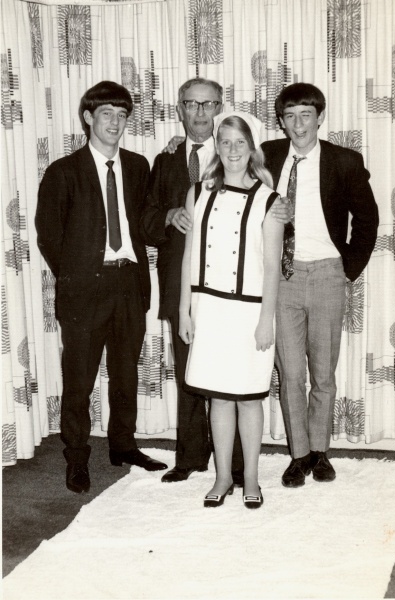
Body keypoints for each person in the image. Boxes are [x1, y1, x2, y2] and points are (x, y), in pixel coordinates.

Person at [35, 81, 167, 494]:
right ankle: (76, 457)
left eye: (122, 115)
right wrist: (79, 275)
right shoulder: (64, 171)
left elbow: (145, 220)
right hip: (85, 290)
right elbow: (48, 235)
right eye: (106, 113)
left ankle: (123, 446)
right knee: (80, 379)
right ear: (88, 117)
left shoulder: (138, 165)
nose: (115, 122)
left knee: (126, 373)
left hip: (129, 283)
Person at [261, 83, 379, 488]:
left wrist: (349, 270)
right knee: (290, 374)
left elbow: (367, 222)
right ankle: (298, 456)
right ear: (281, 121)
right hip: (283, 278)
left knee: (323, 375)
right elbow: (228, 162)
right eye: (290, 116)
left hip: (329, 273)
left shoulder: (344, 161)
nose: (298, 124)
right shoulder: (268, 156)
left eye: (306, 115)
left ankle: (321, 451)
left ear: (319, 117)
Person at [141, 78, 246, 484]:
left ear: (219, 107)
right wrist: (167, 217)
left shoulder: (233, 154)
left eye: (207, 104)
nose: (200, 112)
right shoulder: (165, 161)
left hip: (227, 286)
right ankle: (190, 458)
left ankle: (235, 464)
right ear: (180, 109)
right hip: (178, 282)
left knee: (228, 377)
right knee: (187, 372)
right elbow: (145, 219)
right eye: (191, 104)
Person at [179, 112, 284, 508]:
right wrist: (185, 310)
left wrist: (265, 321)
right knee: (219, 398)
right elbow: (190, 255)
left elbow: (272, 266)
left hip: (249, 313)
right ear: (216, 147)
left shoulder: (270, 201)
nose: (233, 150)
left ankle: (252, 479)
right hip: (209, 308)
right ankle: (222, 478)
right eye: (225, 142)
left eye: (240, 143)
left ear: (252, 147)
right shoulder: (199, 191)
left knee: (248, 398)